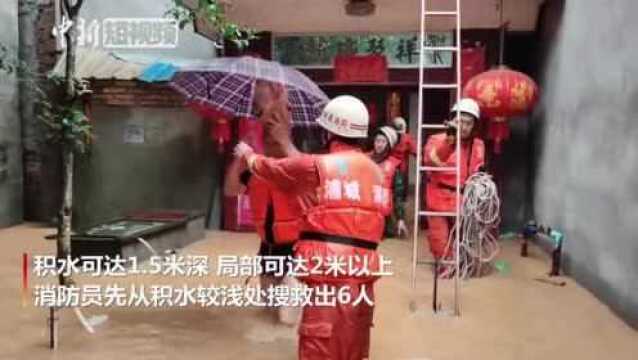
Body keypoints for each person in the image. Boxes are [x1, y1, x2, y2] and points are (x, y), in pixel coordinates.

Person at [234, 95, 387, 360]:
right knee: (354, 350)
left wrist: (247, 155)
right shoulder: (376, 172)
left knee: (319, 348)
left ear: (329, 131)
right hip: (362, 280)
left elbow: (274, 168)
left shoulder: (318, 167)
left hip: (328, 279)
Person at [224, 80, 302, 326]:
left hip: (298, 249)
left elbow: (308, 180)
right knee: (268, 314)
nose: (267, 123)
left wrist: (284, 142)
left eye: (275, 117)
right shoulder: (255, 163)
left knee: (287, 319)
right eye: (261, 115)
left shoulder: (299, 161)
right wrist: (240, 158)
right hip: (268, 246)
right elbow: (231, 189)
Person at [423, 98, 485, 273]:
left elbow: (478, 171)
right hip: (438, 197)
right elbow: (431, 161)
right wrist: (451, 140)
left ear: (474, 126)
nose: (464, 126)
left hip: (464, 199)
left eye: (468, 123)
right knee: (440, 240)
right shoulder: (436, 139)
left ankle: (462, 265)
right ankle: (445, 265)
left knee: (465, 242)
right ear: (452, 120)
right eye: (460, 121)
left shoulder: (478, 145)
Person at [369, 126, 408, 238]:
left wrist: (400, 219)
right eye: (377, 141)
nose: (379, 144)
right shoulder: (365, 160)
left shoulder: (393, 166)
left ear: (389, 145)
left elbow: (398, 196)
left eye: (383, 141)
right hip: (366, 213)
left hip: (384, 217)